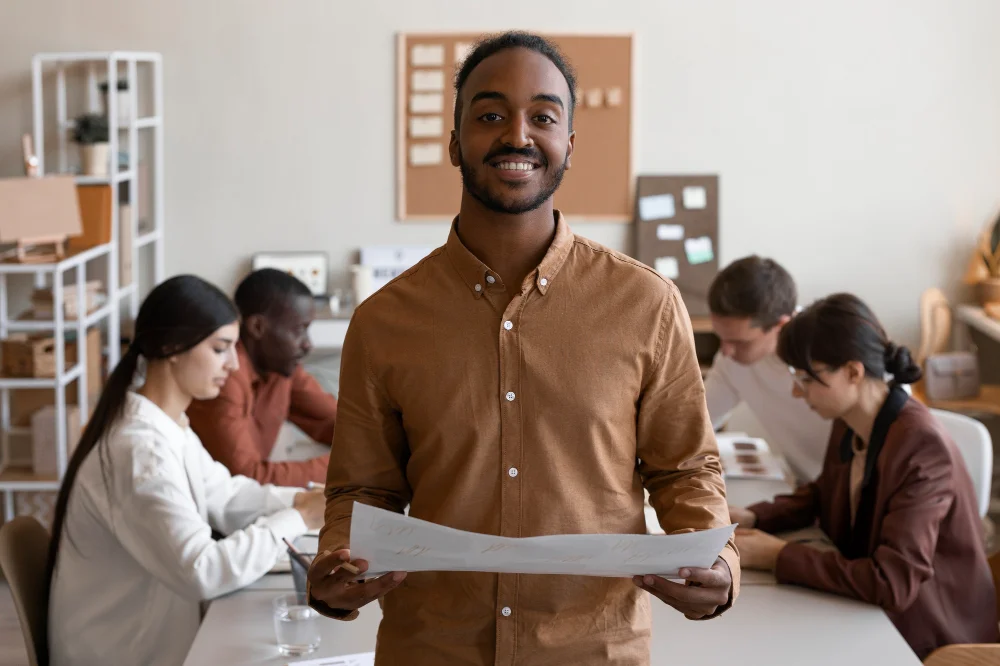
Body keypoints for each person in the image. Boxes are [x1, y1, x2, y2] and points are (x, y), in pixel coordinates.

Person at [306, 31, 738, 665]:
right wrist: (337, 570)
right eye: (489, 116)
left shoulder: (646, 304)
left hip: (594, 649)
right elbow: (362, 491)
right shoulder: (384, 321)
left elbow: (685, 469)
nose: (517, 135)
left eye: (542, 116)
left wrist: (717, 563)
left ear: (568, 144)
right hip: (431, 649)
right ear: (455, 143)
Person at [47, 275, 326, 666]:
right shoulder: (139, 449)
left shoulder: (167, 424)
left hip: (155, 638)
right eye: (220, 349)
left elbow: (225, 494)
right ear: (172, 348)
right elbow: (203, 571)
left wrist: (303, 501)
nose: (232, 364)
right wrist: (298, 517)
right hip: (122, 653)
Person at [731, 293, 999, 659]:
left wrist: (778, 555)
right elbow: (823, 494)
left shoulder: (922, 447)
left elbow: (892, 582)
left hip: (932, 638)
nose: (796, 391)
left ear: (854, 372)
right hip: (870, 615)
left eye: (806, 378)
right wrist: (754, 516)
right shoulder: (851, 421)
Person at [187, 268, 338, 487]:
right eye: (299, 330)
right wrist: (345, 467)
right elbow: (248, 477)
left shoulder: (281, 367)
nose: (308, 344)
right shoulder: (225, 377)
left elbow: (338, 424)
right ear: (257, 327)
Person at [705, 255, 831, 482]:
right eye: (720, 338)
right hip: (806, 493)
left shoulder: (832, 352)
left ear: (781, 325)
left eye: (740, 342)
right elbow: (696, 422)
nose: (726, 351)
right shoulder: (731, 360)